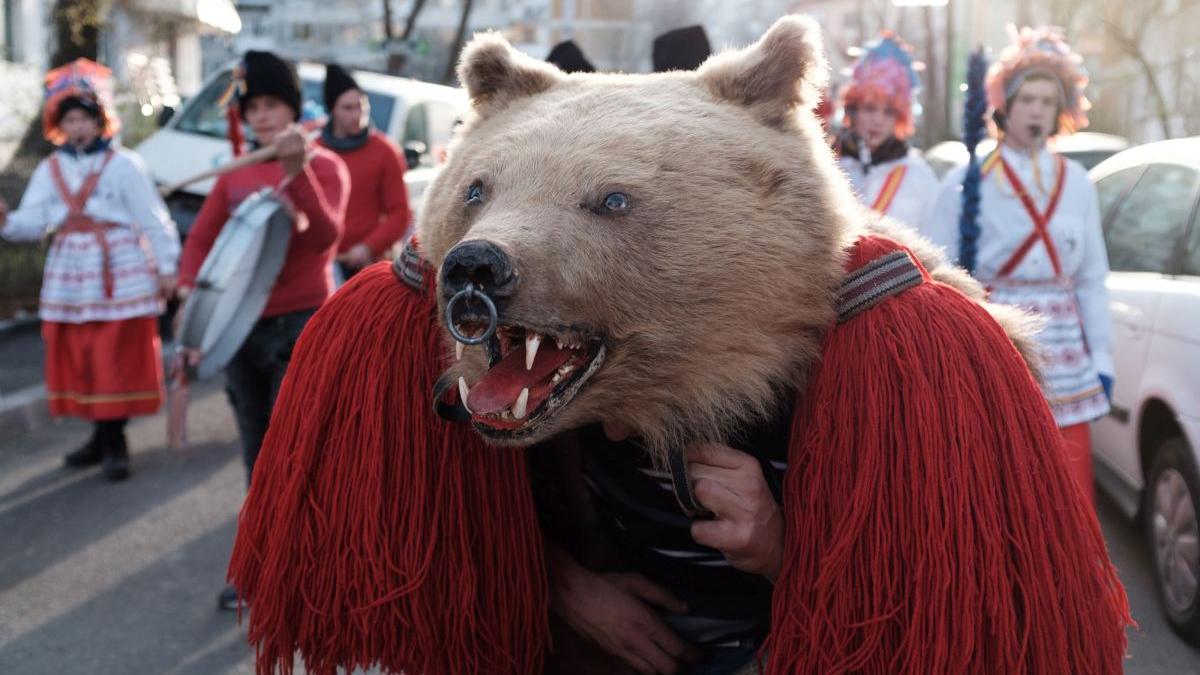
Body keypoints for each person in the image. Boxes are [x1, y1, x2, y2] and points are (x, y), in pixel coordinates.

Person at [175, 50, 348, 609]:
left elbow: (325, 238)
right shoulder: (237, 171)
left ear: (292, 108)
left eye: (272, 105)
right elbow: (202, 239)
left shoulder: (323, 166)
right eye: (254, 108)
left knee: (293, 448)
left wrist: (297, 174)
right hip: (240, 327)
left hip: (303, 326)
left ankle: (304, 564)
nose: (262, 117)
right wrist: (186, 288)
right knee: (256, 444)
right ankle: (262, 564)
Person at [923, 26, 1112, 502]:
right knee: (1002, 472)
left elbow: (1091, 279)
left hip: (1065, 346)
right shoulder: (968, 180)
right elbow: (936, 272)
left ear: (1062, 110)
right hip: (999, 331)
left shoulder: (1077, 182)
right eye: (1027, 97)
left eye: (1048, 101)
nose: (1036, 110)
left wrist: (1102, 358)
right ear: (1004, 103)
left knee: (1066, 482)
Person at [0, 59, 180, 482]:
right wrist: (7, 222)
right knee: (82, 352)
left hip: (118, 266)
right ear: (58, 124)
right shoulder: (51, 169)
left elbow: (153, 217)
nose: (78, 126)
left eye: (84, 117)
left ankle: (114, 440)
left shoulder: (125, 164)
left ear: (101, 120)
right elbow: (34, 221)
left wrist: (168, 267)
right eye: (71, 119)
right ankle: (100, 438)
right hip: (71, 270)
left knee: (113, 352)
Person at [833, 33, 939, 229]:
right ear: (853, 110)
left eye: (889, 112)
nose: (878, 120)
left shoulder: (918, 174)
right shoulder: (831, 166)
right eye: (870, 108)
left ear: (900, 117)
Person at [317, 64, 410, 279]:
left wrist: (368, 246)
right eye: (347, 108)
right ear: (332, 110)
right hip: (323, 263)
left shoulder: (385, 151)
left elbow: (399, 213)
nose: (357, 114)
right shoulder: (316, 150)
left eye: (361, 106)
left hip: (365, 265)